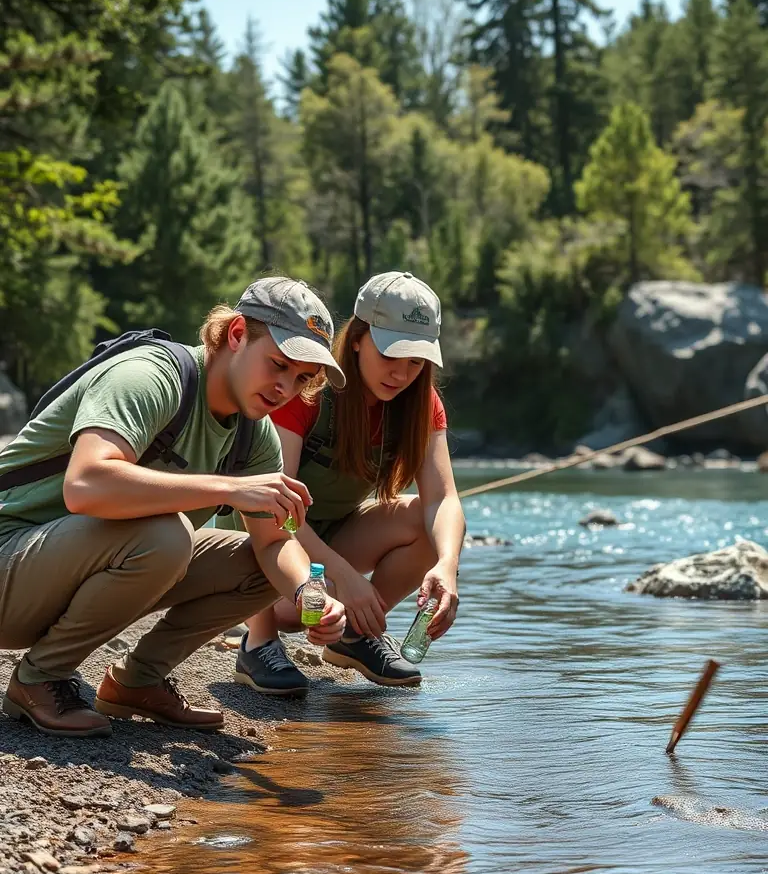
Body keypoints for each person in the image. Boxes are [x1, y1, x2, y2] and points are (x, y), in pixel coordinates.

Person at [0, 277, 347, 738]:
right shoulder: (151, 375)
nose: (285, 387)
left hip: (57, 570)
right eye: (278, 364)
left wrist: (308, 594)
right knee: (166, 536)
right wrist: (227, 489)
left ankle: (136, 682)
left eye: (302, 378)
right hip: (10, 556)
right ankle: (40, 678)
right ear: (238, 334)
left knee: (257, 564)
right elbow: (85, 485)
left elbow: (274, 543)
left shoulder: (254, 433)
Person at [222, 270, 465, 696]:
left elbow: (443, 500)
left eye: (416, 360)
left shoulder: (423, 404)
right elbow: (269, 510)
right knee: (263, 518)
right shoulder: (305, 390)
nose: (402, 373)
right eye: (391, 354)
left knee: (423, 523)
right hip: (269, 544)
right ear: (357, 338)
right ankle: (258, 642)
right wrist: (345, 578)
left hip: (331, 540)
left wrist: (446, 567)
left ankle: (354, 637)